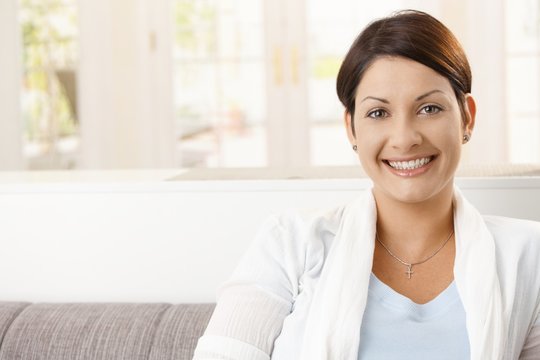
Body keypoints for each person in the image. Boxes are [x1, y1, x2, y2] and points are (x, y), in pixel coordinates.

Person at [193, 10, 540, 360]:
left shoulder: (528, 257)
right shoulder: (289, 244)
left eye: (430, 108)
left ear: (467, 117)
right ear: (351, 128)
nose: (404, 139)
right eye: (378, 113)